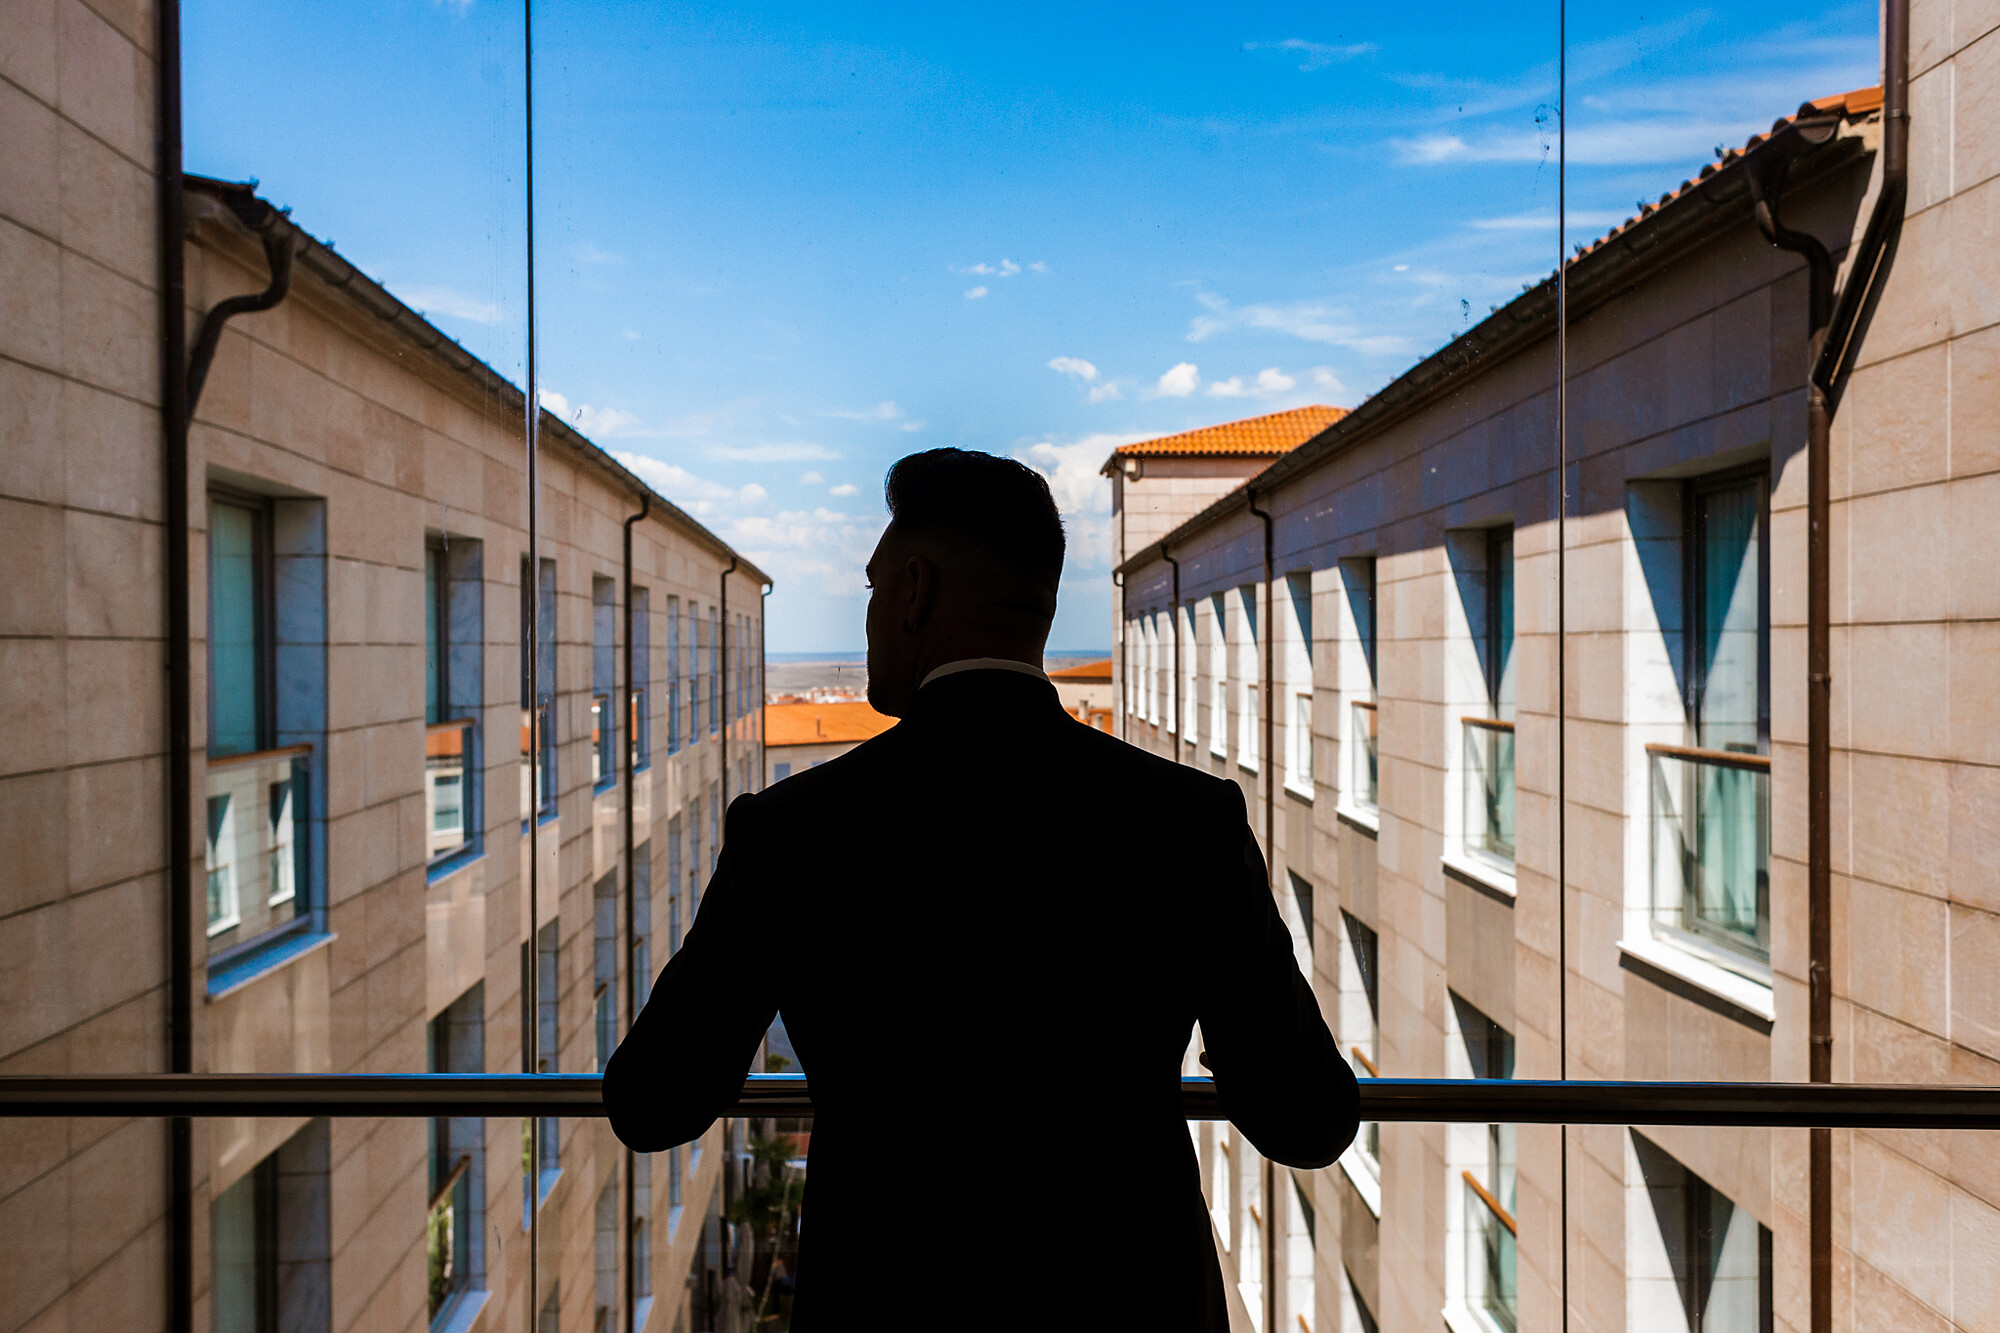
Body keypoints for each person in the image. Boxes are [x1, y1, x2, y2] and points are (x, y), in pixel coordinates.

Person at [605, 447, 1356, 1329]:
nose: (873, 620)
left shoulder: (796, 832)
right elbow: (1311, 1118)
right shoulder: (1187, 822)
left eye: (876, 591)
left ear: (917, 590)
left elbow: (651, 1100)